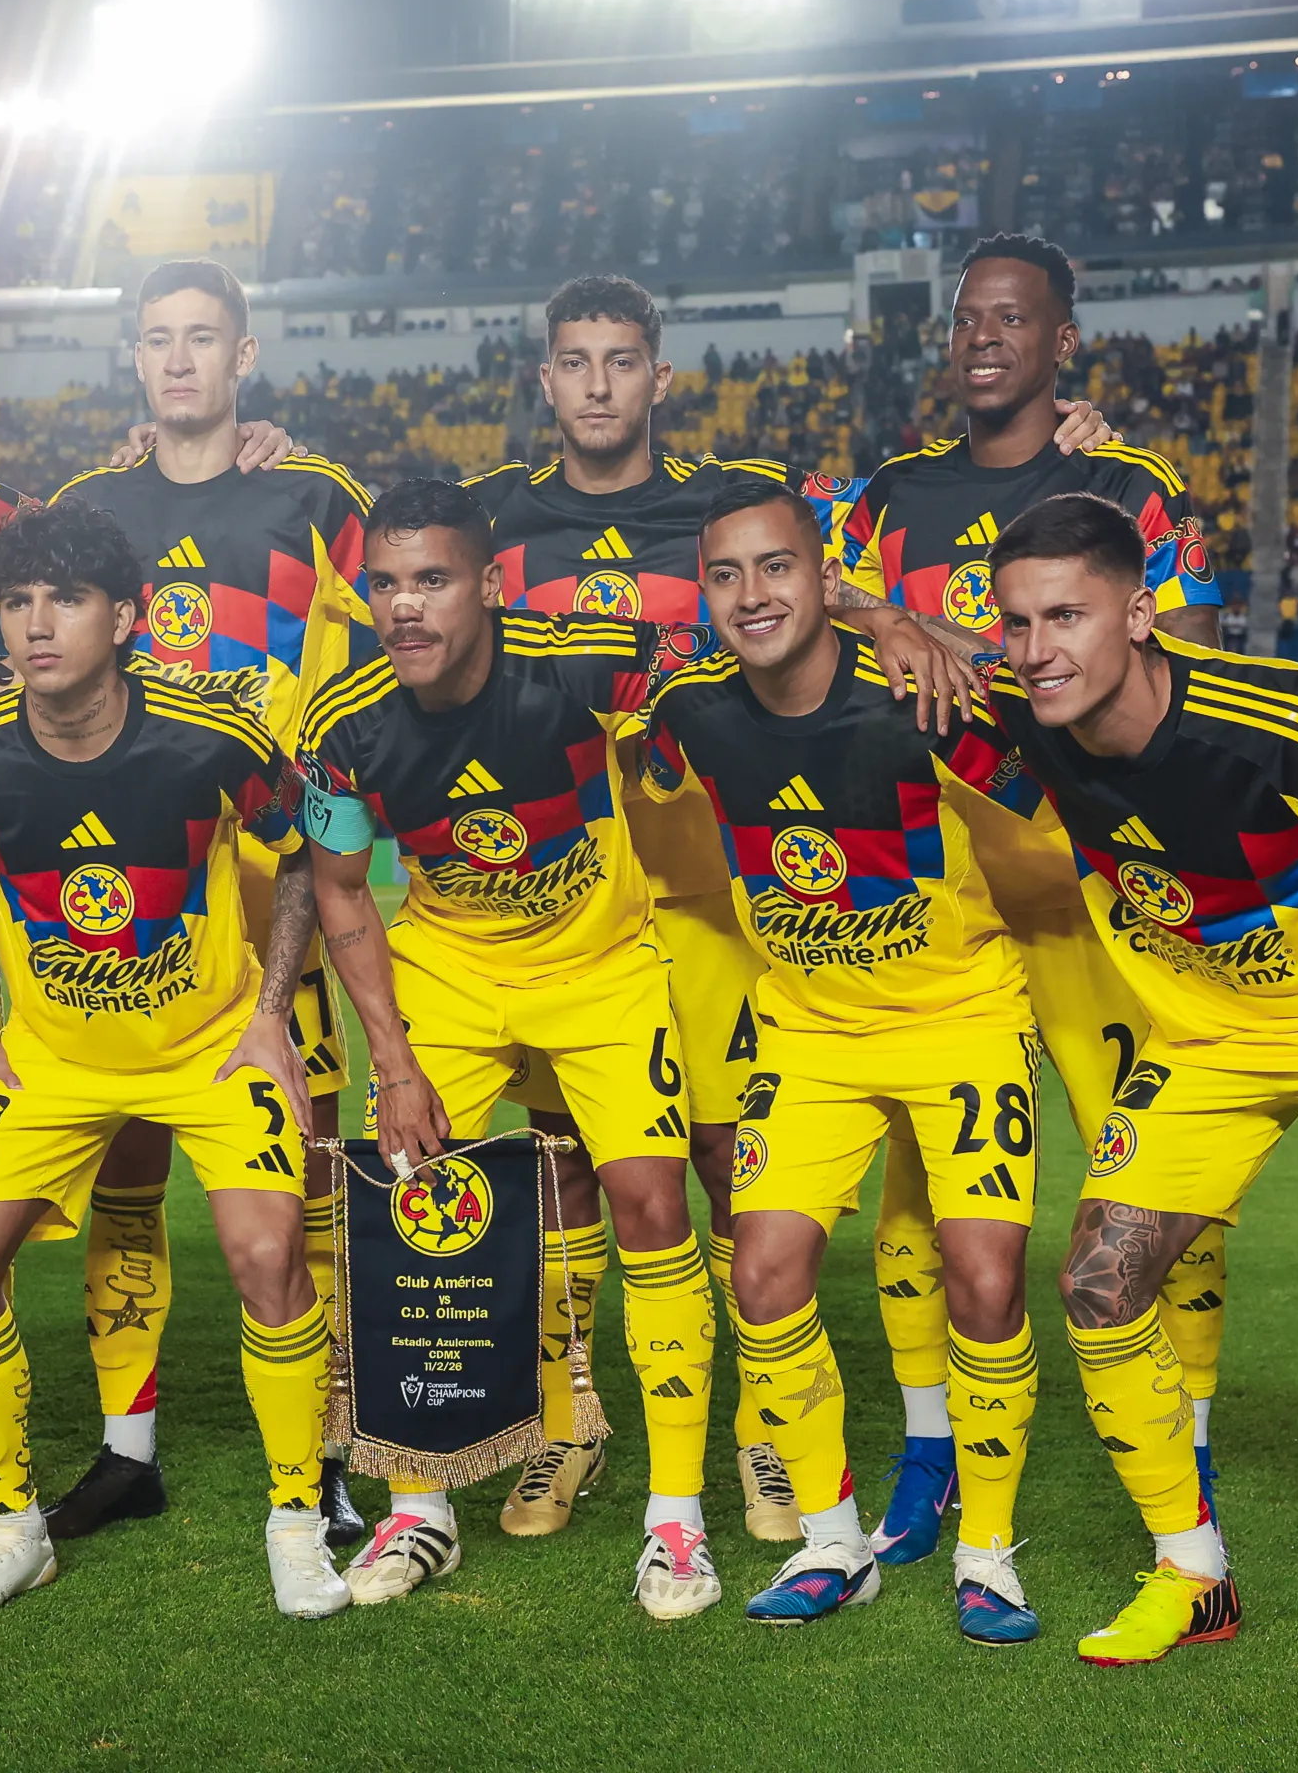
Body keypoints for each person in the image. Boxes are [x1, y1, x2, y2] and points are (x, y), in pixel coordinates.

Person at [460, 271, 1104, 1542]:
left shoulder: (728, 493)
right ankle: (574, 1417)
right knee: (565, 1167)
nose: (598, 384)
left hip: (710, 896)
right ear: (544, 380)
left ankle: (765, 1436)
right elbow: (398, 577)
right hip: (568, 897)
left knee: (721, 1164)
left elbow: (825, 576)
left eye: (622, 360)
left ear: (659, 373)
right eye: (574, 363)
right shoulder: (493, 519)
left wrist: (886, 607)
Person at [978, 493, 1298, 1723]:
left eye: (1068, 613)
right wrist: (869, 607)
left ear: (1141, 612)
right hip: (1207, 1040)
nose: (1038, 645)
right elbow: (892, 672)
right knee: (1099, 1284)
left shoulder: (1282, 713)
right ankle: (1192, 1573)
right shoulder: (1024, 719)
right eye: (1015, 621)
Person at [834, 232, 1234, 1564]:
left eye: (1016, 319)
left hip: (1092, 892)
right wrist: (877, 617)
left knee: (1161, 1189)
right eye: (967, 319)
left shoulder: (1125, 486)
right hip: (931, 893)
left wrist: (962, 645)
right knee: (918, 1200)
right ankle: (932, 1446)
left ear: (1066, 344)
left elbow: (1199, 650)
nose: (986, 336)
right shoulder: (889, 497)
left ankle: (1192, 1446)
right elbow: (801, 603)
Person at [294, 477, 721, 1621]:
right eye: (384, 584)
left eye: (431, 580)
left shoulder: (580, 662)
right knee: (410, 1198)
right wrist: (392, 1063)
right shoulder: (343, 724)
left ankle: (675, 1517)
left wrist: (876, 617)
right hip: (450, 966)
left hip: (603, 965)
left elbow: (727, 646)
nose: (404, 608)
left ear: (488, 582)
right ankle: (417, 1507)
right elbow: (342, 892)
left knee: (651, 1205)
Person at [627, 478, 1046, 1640]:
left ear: (824, 577)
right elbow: (639, 733)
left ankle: (988, 1551)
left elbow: (1047, 748)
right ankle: (832, 1539)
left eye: (778, 568)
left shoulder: (925, 699)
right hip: (808, 1030)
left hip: (959, 1013)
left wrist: (893, 623)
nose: (752, 594)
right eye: (725, 574)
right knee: (761, 1274)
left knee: (987, 1278)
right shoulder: (693, 711)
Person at [0, 500, 344, 1621]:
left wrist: (270, 1017)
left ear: (129, 617)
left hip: (207, 1048)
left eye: (65, 601)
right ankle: (10, 1528)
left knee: (265, 1250)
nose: (37, 625)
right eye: (15, 604)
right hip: (49, 1060)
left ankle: (297, 1516)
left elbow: (301, 858)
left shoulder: (213, 736)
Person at [45, 259, 369, 1543]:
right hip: (122, 897)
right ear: (136, 359)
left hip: (278, 883)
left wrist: (344, 824)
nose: (178, 360)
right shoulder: (88, 504)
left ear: (246, 355)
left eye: (202, 339)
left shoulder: (313, 494)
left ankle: (334, 1445)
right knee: (127, 1164)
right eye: (157, 339)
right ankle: (130, 1447)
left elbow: (414, 619)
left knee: (313, 1165)